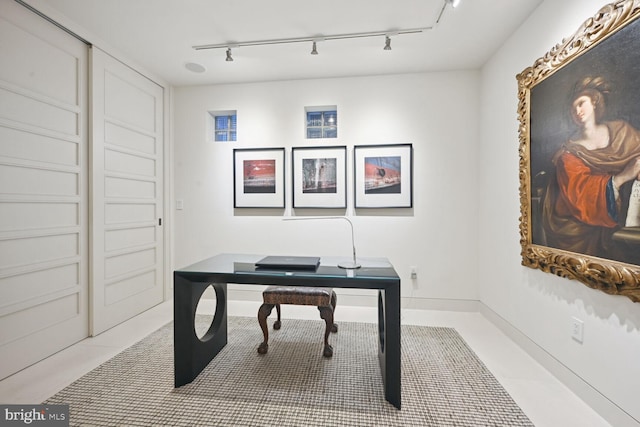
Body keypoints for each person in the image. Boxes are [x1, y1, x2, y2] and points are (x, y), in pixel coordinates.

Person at [542, 76, 640, 264]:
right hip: (582, 233)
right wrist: (621, 178)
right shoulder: (568, 155)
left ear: (594, 101)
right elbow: (582, 194)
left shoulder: (622, 132)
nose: (577, 111)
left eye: (581, 103)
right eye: (573, 109)